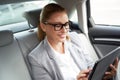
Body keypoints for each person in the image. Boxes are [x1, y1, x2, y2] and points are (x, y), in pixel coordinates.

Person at [28, 3, 119, 80]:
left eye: (66, 24)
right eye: (58, 25)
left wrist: (105, 74)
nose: (64, 30)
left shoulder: (74, 39)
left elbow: (91, 66)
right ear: (43, 26)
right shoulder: (36, 58)